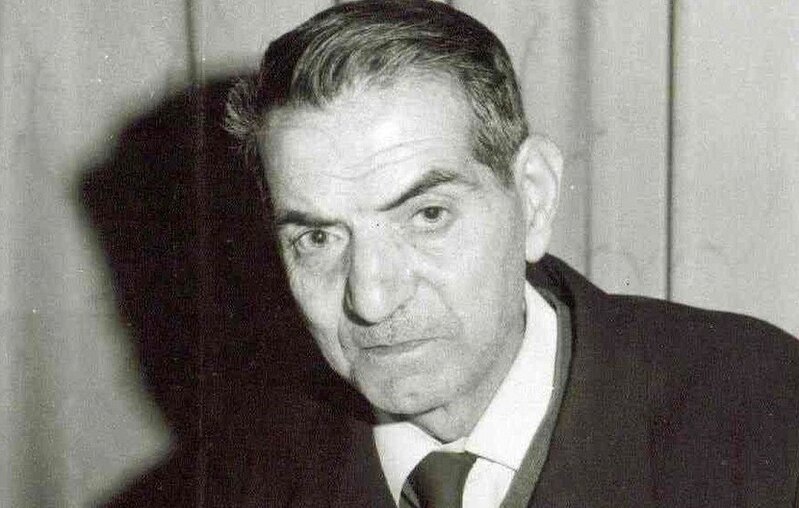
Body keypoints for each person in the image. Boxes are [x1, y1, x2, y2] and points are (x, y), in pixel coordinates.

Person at [107, 0, 799, 506]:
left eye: (427, 215)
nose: (371, 298)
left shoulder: (764, 418)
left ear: (533, 197)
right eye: (318, 238)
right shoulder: (229, 482)